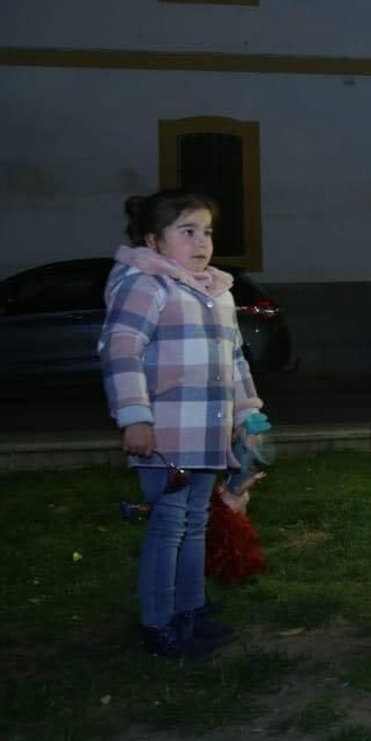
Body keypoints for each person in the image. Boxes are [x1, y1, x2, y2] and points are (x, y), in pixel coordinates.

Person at [100, 188, 267, 659]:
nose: (201, 242)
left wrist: (246, 412)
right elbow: (120, 351)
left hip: (207, 434)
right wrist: (135, 417)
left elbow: (234, 360)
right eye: (187, 232)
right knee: (168, 526)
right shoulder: (145, 286)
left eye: (207, 232)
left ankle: (190, 611)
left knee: (195, 522)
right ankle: (159, 624)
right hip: (166, 434)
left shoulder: (218, 293)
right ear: (154, 241)